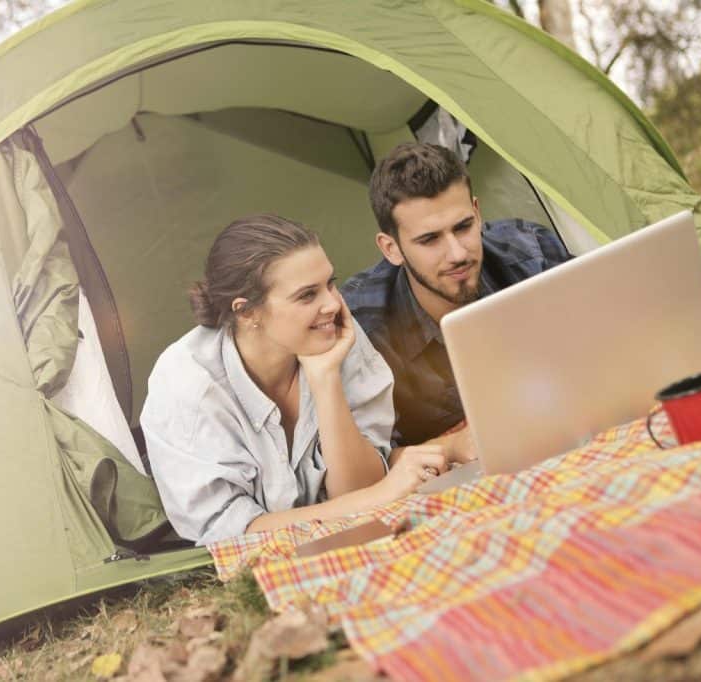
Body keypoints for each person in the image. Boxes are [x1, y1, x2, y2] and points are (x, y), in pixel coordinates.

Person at [141, 214, 449, 545]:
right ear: (246, 311)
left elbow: (359, 488)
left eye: (330, 283)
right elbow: (230, 536)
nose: (332, 304)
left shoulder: (332, 333)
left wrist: (325, 379)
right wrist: (376, 497)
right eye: (307, 295)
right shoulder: (187, 385)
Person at [342, 142, 573, 453]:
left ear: (477, 213)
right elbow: (372, 458)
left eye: (463, 227)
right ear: (391, 248)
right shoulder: (363, 324)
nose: (457, 254)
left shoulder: (532, 251)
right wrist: (450, 445)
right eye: (429, 239)